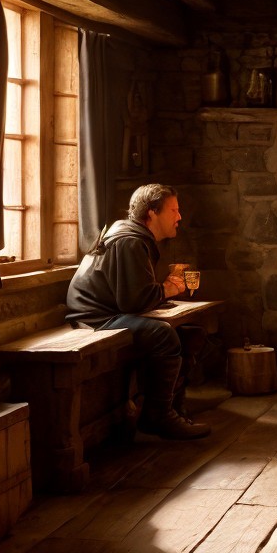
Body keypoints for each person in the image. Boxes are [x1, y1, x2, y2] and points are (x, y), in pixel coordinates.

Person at [66, 184, 210, 440]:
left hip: (106, 311)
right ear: (152, 213)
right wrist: (166, 289)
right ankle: (158, 416)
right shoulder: (131, 241)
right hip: (95, 318)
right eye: (174, 210)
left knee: (190, 333)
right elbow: (133, 302)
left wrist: (161, 293)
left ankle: (174, 409)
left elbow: (134, 297)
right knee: (164, 335)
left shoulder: (132, 236)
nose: (179, 217)